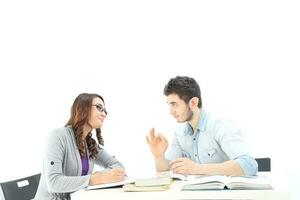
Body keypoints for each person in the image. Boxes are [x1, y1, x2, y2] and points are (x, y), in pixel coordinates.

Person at [147, 76, 258, 176]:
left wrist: (198, 169)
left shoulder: (220, 125)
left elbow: (249, 165)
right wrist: (158, 156)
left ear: (193, 103)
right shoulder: (179, 133)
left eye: (174, 104)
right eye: (169, 105)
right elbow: (166, 171)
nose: (171, 111)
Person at [35, 93, 125, 200]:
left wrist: (102, 176)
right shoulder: (58, 136)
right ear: (82, 108)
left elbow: (118, 165)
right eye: (99, 107)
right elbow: (53, 182)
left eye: (105, 111)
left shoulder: (90, 144)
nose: (104, 114)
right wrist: (96, 179)